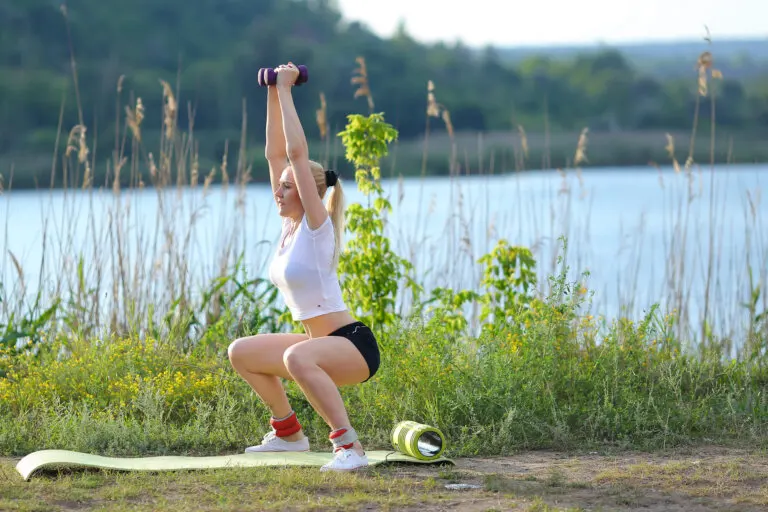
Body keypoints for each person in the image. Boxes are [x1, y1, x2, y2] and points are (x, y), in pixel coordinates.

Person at [227, 62, 380, 472]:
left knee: (297, 357)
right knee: (240, 352)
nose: (278, 190)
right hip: (312, 344)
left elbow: (295, 154)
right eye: (279, 184)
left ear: (310, 193)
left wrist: (289, 89)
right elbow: (275, 154)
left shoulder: (316, 227)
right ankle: (289, 434)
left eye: (288, 185)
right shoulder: (289, 226)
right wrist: (271, 91)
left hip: (352, 345)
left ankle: (350, 448)